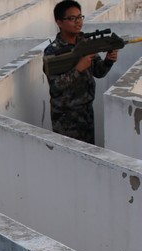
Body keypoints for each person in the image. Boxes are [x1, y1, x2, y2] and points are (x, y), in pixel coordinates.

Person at [43, 0, 118, 144]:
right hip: (65, 118)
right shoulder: (53, 51)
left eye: (80, 17)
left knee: (88, 153)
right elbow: (55, 87)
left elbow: (99, 72)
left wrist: (109, 60)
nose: (78, 22)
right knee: (68, 155)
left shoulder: (85, 42)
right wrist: (78, 68)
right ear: (59, 22)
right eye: (72, 18)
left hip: (86, 112)